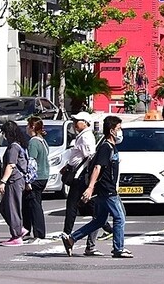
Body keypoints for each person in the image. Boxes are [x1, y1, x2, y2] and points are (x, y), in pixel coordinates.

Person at [61, 115, 132, 259]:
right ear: (111, 131)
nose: (120, 132)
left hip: (105, 189)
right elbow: (97, 168)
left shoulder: (111, 147)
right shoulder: (106, 147)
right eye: (119, 129)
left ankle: (72, 238)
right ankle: (118, 248)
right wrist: (90, 187)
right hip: (107, 189)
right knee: (120, 217)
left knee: (99, 220)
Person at [62, 111, 112, 256]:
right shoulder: (82, 136)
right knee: (90, 206)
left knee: (73, 205)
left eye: (77, 120)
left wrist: (89, 179)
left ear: (85, 123)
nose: (74, 123)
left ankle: (68, 234)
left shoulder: (86, 137)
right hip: (79, 175)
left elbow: (90, 157)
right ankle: (106, 228)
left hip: (80, 176)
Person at [0, 120, 28, 246]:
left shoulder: (14, 147)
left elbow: (11, 165)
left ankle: (16, 235)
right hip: (16, 180)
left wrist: (3, 181)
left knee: (13, 208)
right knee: (4, 207)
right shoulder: (17, 145)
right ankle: (19, 228)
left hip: (14, 180)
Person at [23, 117, 50, 242]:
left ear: (32, 127)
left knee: (34, 205)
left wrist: (28, 181)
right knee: (34, 203)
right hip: (43, 175)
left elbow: (31, 162)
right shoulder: (42, 141)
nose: (26, 128)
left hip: (36, 177)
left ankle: (38, 232)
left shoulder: (33, 142)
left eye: (28, 125)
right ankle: (29, 230)